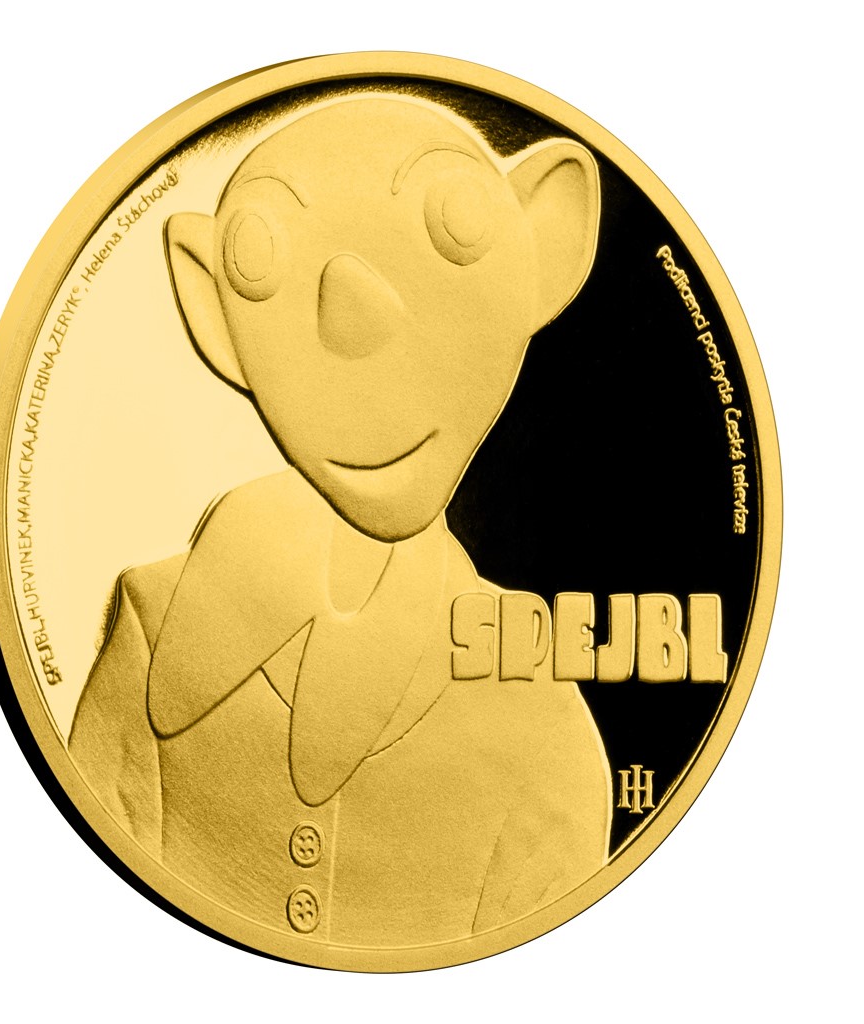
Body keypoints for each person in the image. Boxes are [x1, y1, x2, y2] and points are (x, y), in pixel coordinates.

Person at [69, 94, 611, 946]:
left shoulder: (532, 704)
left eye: (454, 224)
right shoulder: (152, 624)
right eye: (260, 257)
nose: (352, 313)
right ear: (211, 309)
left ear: (547, 236)